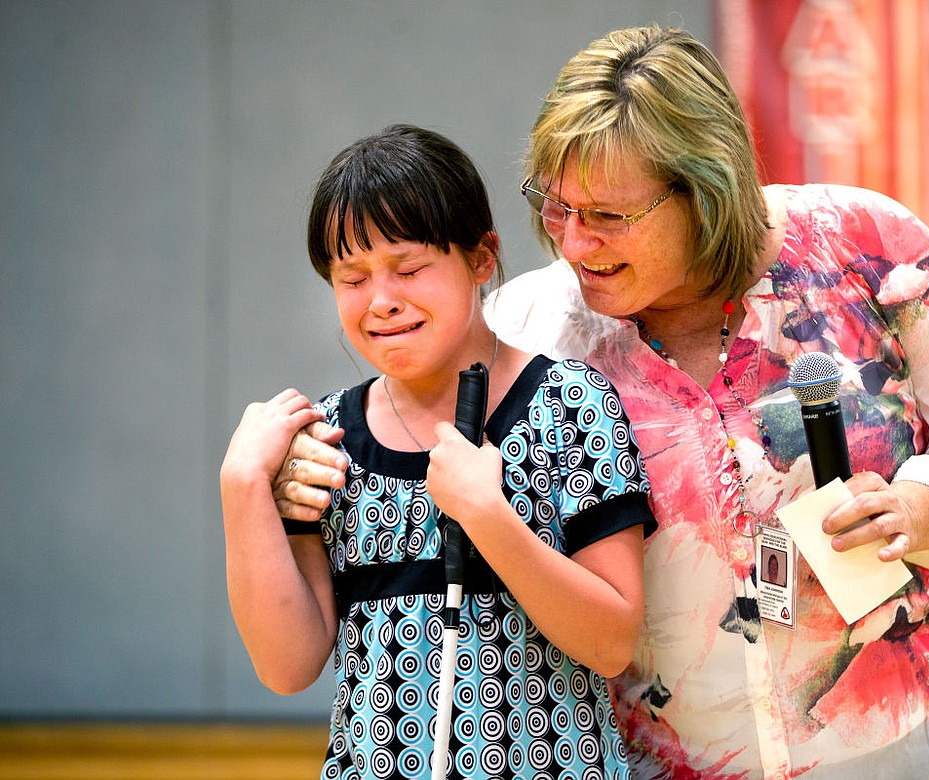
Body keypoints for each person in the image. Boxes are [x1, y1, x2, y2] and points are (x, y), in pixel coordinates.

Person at [276, 28, 929, 780]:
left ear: (706, 189)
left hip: (909, 751)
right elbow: (411, 427)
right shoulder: (534, 331)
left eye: (609, 216)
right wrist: (298, 466)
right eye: (557, 208)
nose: (574, 243)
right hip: (668, 763)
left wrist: (922, 509)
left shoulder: (858, 241)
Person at [220, 123, 655, 779]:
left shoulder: (572, 405)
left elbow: (613, 642)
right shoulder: (328, 439)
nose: (382, 300)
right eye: (352, 277)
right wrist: (242, 484)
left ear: (482, 258)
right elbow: (286, 667)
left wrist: (488, 516)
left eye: (409, 268)